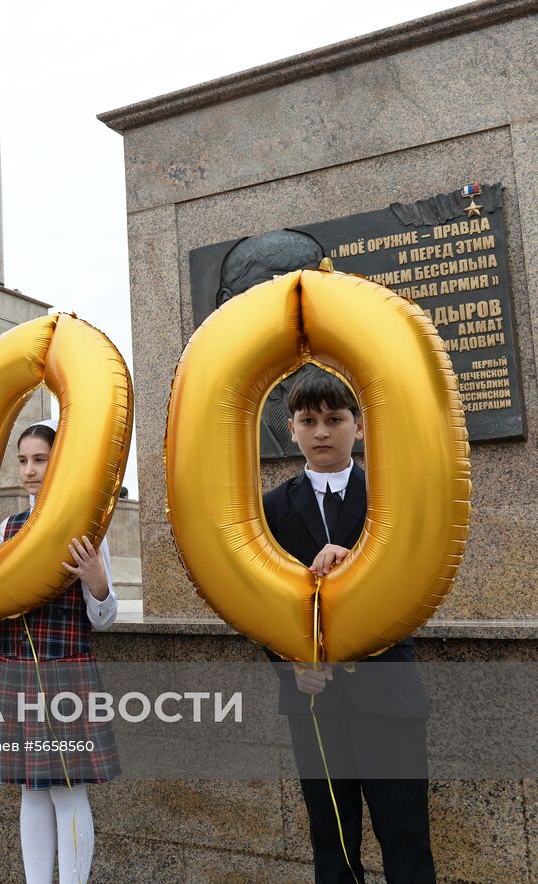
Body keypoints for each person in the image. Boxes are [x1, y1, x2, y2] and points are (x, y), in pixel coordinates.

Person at [264, 372, 434, 881]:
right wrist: (291, 663)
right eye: (308, 421)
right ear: (291, 429)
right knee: (332, 844)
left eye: (334, 420)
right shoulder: (269, 509)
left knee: (406, 834)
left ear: (358, 428)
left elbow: (417, 579)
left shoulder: (392, 495)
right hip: (314, 703)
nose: (321, 432)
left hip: (390, 694)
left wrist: (358, 559)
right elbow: (257, 600)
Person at [0, 423, 120, 884]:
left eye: (40, 460)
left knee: (68, 793)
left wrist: (95, 579)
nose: (29, 470)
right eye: (23, 460)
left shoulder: (88, 524)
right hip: (15, 672)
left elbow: (105, 617)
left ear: (59, 461)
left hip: (67, 672)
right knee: (30, 792)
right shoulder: (6, 529)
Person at [213, 229, 328, 458]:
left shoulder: (347, 384)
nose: (293, 309)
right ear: (227, 303)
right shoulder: (207, 397)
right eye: (271, 293)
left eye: (305, 293)